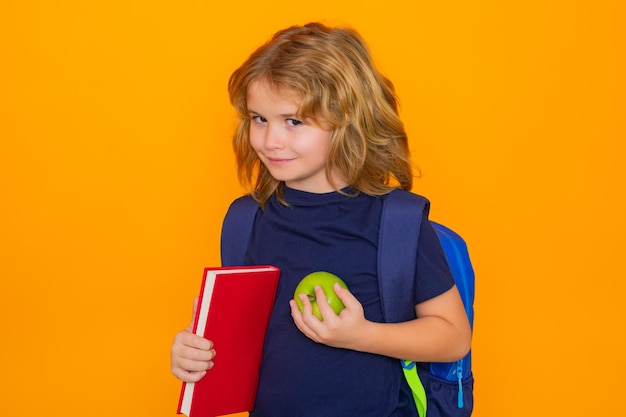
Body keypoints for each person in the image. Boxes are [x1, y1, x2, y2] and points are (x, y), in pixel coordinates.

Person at [171, 22, 471, 417]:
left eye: (293, 121)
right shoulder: (245, 220)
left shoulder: (398, 223)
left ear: (349, 121)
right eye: (258, 119)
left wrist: (362, 335)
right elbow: (243, 342)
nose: (269, 140)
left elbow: (453, 337)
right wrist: (195, 354)